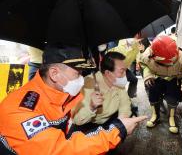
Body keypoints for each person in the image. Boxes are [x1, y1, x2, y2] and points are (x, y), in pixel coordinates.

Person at [0, 44, 147, 155]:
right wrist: (117, 130)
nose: (82, 80)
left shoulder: (61, 93)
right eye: (77, 74)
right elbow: (62, 150)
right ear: (55, 74)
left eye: (82, 73)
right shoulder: (21, 110)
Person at [71, 52, 132, 132]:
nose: (125, 75)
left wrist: (122, 123)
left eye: (126, 70)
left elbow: (125, 104)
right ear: (107, 73)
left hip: (110, 122)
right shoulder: (87, 85)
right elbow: (77, 120)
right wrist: (91, 107)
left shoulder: (118, 83)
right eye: (122, 71)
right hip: (88, 128)